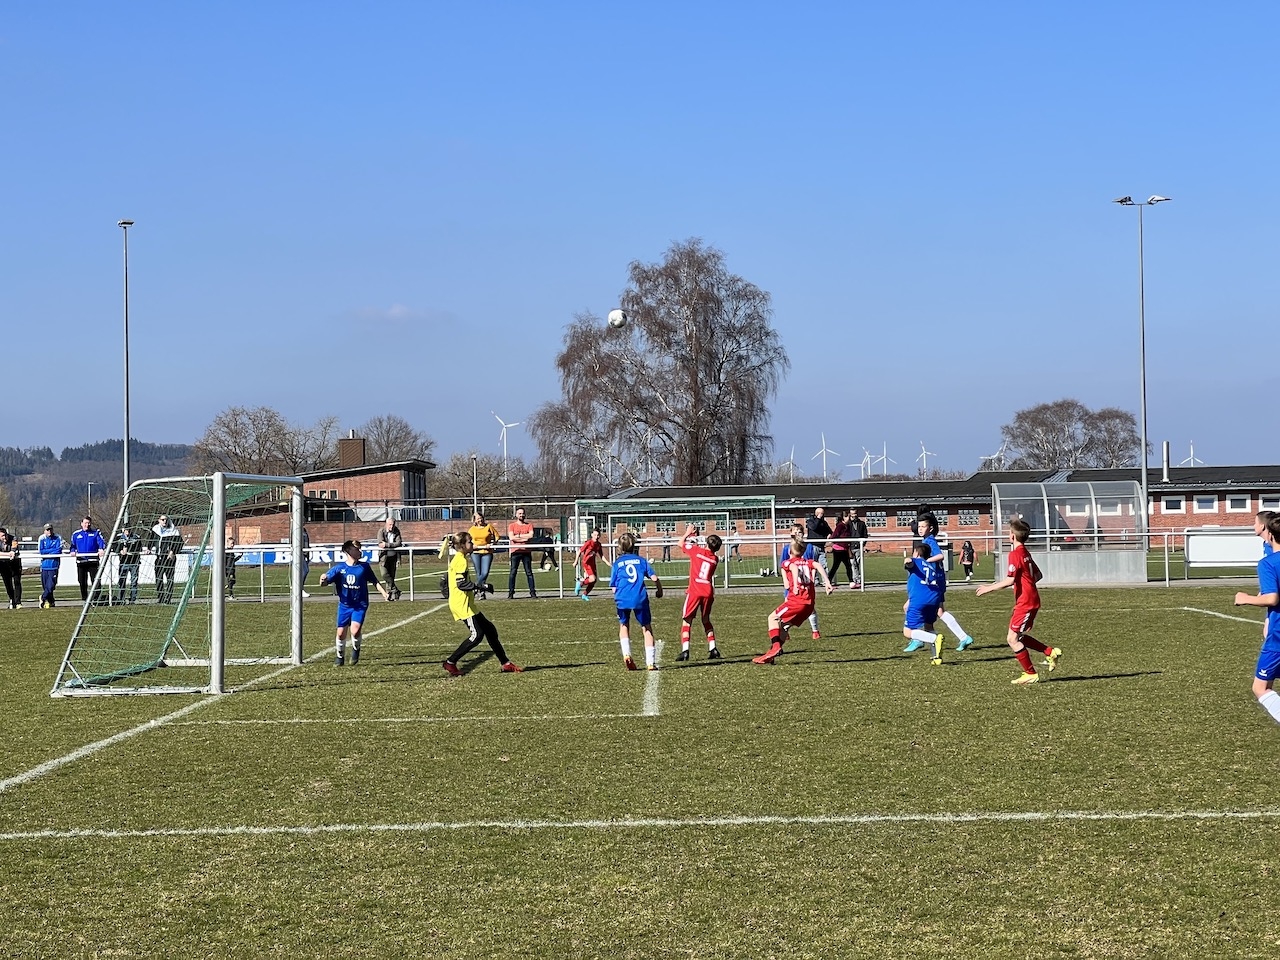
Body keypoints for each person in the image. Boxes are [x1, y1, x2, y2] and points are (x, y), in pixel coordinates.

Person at [976, 517, 1062, 685]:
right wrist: (1026, 584)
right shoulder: (1025, 553)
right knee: (1017, 637)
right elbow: (1038, 575)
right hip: (1029, 599)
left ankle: (1031, 673)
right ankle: (1050, 652)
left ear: (1012, 536)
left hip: (1026, 602)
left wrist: (989, 588)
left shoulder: (1015, 554)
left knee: (1012, 639)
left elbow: (1010, 580)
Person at [441, 531, 522, 676]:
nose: (472, 544)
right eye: (469, 542)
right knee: (477, 635)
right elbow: (461, 584)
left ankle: (506, 663)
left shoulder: (461, 558)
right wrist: (481, 586)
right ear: (462, 545)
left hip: (467, 603)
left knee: (490, 630)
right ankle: (450, 662)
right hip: (462, 604)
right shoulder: (460, 560)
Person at [753, 532, 833, 664]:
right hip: (809, 605)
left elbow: (794, 568)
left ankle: (775, 647)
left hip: (797, 601)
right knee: (784, 626)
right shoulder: (808, 562)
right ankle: (771, 655)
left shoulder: (787, 563)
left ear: (789, 550)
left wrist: (795, 584)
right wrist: (827, 582)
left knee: (772, 618)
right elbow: (818, 565)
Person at [903, 511, 975, 653]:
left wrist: (924, 562)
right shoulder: (926, 540)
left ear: (930, 528)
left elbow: (940, 556)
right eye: (919, 526)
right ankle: (935, 642)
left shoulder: (929, 541)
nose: (920, 529)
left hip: (934, 583)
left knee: (932, 610)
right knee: (933, 613)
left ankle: (920, 638)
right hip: (934, 582)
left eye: (923, 526)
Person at [1234, 513, 1280, 726]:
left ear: (1268, 532)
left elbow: (1272, 598)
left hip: (1278, 638)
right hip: (1274, 628)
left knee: (1260, 687)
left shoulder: (1268, 563)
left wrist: (1245, 598)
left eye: (1255, 522)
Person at [319, 538, 390, 666]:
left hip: (360, 605)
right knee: (341, 633)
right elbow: (324, 583)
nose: (360, 551)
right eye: (357, 549)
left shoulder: (364, 567)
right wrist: (322, 580)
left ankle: (356, 650)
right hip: (345, 605)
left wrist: (384, 593)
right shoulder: (340, 568)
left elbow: (375, 581)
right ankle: (340, 657)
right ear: (349, 551)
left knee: (355, 630)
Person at [609, 532, 663, 670]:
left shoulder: (617, 564)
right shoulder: (641, 561)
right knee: (646, 628)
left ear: (620, 547)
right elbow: (655, 578)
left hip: (622, 598)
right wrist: (659, 590)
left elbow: (613, 586)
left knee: (624, 625)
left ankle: (627, 654)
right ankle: (650, 663)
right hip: (639, 598)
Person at [677, 523, 722, 661]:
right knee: (706, 619)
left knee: (687, 621)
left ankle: (685, 650)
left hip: (695, 590)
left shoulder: (696, 551)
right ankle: (713, 648)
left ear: (707, 542)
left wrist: (688, 533)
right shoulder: (715, 559)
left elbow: (680, 543)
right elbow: (706, 553)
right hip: (708, 591)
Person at [778, 521, 824, 640]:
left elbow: (812, 564)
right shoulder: (787, 548)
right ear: (791, 533)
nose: (798, 534)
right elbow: (783, 566)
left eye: (800, 532)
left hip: (805, 584)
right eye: (795, 532)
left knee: (810, 608)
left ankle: (815, 630)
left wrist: (812, 578)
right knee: (788, 608)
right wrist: (785, 581)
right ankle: (785, 631)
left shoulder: (809, 547)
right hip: (792, 584)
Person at [901, 543, 944, 666]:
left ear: (916, 553)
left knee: (907, 631)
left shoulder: (916, 561)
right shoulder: (930, 566)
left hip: (920, 599)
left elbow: (910, 563)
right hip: (934, 598)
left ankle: (934, 639)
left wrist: (908, 561)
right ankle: (936, 657)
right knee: (928, 626)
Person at [70, 516, 107, 603]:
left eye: (89, 523)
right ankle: (85, 599)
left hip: (93, 561)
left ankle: (96, 599)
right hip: (81, 561)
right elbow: (72, 545)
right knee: (82, 581)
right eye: (85, 523)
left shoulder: (95, 533)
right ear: (81, 524)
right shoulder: (76, 534)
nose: (87, 525)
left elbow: (101, 542)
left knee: (96, 580)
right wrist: (72, 551)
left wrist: (101, 549)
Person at [150, 514, 182, 604]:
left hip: (169, 559)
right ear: (159, 520)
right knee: (159, 578)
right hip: (159, 558)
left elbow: (179, 543)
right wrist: (149, 548)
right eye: (163, 519)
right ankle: (161, 598)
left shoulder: (173, 531)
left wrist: (172, 551)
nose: (164, 521)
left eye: (166, 519)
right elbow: (151, 541)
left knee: (170, 579)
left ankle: (168, 599)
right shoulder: (155, 530)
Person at [507, 507, 537, 599]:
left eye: (523, 513)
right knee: (513, 572)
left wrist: (518, 536)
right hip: (515, 551)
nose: (521, 515)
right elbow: (511, 537)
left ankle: (532, 592)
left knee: (529, 572)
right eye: (519, 513)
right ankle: (511, 593)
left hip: (526, 551)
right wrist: (523, 537)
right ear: (516, 515)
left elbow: (530, 535)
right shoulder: (512, 526)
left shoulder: (529, 525)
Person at [468, 511, 500, 589]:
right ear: (475, 520)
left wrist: (492, 544)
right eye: (478, 518)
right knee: (478, 573)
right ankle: (481, 591)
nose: (480, 520)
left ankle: (476, 586)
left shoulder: (488, 527)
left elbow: (497, 536)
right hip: (475, 552)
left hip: (487, 552)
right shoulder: (472, 529)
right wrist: (472, 545)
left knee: (485, 572)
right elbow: (468, 540)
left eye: (481, 518)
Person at [574, 527, 608, 601]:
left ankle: (584, 595)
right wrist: (576, 561)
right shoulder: (589, 542)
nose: (596, 536)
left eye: (598, 535)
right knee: (592, 579)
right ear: (592, 535)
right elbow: (579, 551)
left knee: (593, 581)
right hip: (587, 563)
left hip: (593, 564)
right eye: (595, 535)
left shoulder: (598, 544)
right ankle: (580, 583)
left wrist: (607, 562)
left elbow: (601, 555)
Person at [114, 523, 143, 604]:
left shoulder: (136, 537)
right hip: (123, 562)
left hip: (134, 562)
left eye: (129, 529)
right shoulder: (118, 537)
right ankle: (121, 599)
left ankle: (133, 599)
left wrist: (130, 550)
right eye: (126, 529)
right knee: (122, 581)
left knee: (134, 581)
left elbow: (139, 548)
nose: (128, 531)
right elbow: (114, 547)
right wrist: (120, 551)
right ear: (123, 529)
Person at [378, 516, 403, 600]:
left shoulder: (396, 531)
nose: (391, 527)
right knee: (385, 575)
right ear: (386, 524)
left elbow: (398, 543)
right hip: (383, 558)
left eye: (393, 525)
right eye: (390, 525)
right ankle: (396, 591)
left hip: (393, 557)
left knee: (391, 576)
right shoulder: (381, 531)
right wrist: (390, 545)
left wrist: (387, 545)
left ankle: (388, 596)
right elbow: (380, 543)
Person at [38, 523, 62, 608]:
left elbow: (58, 550)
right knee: (46, 586)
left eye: (50, 529)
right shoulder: (42, 538)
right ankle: (51, 602)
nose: (49, 531)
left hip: (54, 565)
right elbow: (41, 551)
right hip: (44, 565)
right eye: (47, 530)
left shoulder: (58, 537)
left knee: (51, 585)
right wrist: (52, 551)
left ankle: (43, 597)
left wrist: (48, 552)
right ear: (44, 531)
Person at [828, 510, 853, 587]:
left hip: (845, 549)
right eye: (847, 517)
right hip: (838, 550)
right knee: (835, 566)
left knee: (848, 565)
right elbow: (834, 536)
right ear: (843, 518)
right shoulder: (840, 526)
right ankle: (828, 581)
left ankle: (851, 582)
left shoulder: (848, 526)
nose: (849, 518)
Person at [0, 526, 22, 609]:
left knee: (17, 582)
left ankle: (18, 602)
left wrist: (12, 552)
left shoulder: (13, 538)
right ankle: (12, 599)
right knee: (7, 583)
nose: (4, 537)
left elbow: (14, 549)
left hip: (15, 563)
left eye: (5, 535)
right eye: (2, 536)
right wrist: (7, 554)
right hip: (3, 564)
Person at [805, 506, 832, 573]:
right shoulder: (810, 521)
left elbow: (829, 531)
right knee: (813, 564)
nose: (823, 515)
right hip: (813, 546)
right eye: (821, 513)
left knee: (824, 564)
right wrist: (818, 519)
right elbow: (814, 527)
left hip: (821, 546)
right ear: (817, 513)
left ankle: (825, 578)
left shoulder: (824, 523)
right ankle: (814, 579)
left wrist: (829, 534)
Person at [848, 508, 869, 588]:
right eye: (852, 514)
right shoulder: (847, 524)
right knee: (853, 564)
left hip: (859, 546)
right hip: (850, 547)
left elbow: (865, 534)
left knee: (859, 563)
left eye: (855, 513)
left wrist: (863, 544)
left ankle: (858, 580)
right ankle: (855, 580)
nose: (854, 515)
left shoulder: (861, 523)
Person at [223, 526, 238, 599]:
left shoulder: (231, 552)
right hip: (229, 569)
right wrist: (225, 569)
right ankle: (230, 595)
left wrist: (239, 557)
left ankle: (227, 587)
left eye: (233, 543)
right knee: (231, 582)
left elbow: (233, 560)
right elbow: (225, 560)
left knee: (233, 581)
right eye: (231, 543)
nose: (233, 545)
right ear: (228, 543)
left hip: (232, 569)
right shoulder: (227, 551)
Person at [299, 525, 312, 598]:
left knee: (305, 570)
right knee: (305, 570)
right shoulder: (297, 531)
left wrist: (307, 554)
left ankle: (300, 588)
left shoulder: (304, 530)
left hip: (304, 553)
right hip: (300, 553)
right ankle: (300, 589)